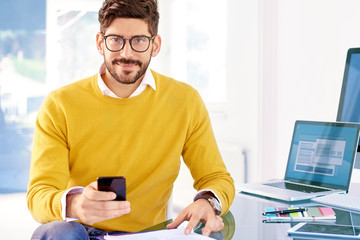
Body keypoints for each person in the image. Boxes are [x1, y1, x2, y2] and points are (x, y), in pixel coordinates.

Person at [27, 0, 235, 239]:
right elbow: (38, 196)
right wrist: (76, 205)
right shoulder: (60, 104)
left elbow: (216, 178)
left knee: (219, 221)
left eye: (139, 40)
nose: (126, 53)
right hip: (84, 233)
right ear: (99, 42)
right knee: (57, 231)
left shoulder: (185, 100)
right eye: (115, 40)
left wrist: (208, 202)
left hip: (152, 234)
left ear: (155, 45)